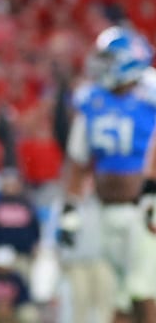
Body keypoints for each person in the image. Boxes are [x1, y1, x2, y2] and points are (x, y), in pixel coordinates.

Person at [59, 26, 156, 323]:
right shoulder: (91, 100)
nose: (100, 64)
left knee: (144, 293)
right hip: (103, 211)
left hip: (144, 208)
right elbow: (78, 160)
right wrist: (71, 209)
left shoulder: (150, 93)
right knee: (118, 298)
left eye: (109, 57)